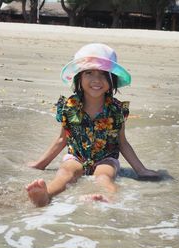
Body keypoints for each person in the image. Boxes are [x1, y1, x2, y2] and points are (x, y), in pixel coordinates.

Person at [26, 43, 159, 207]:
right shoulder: (70, 106)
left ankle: (107, 197)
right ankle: (46, 195)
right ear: (79, 78)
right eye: (89, 73)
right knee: (66, 173)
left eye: (103, 74)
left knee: (104, 176)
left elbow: (122, 143)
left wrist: (141, 170)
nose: (96, 80)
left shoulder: (116, 109)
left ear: (112, 80)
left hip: (106, 158)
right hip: (76, 156)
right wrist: (40, 164)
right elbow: (62, 139)